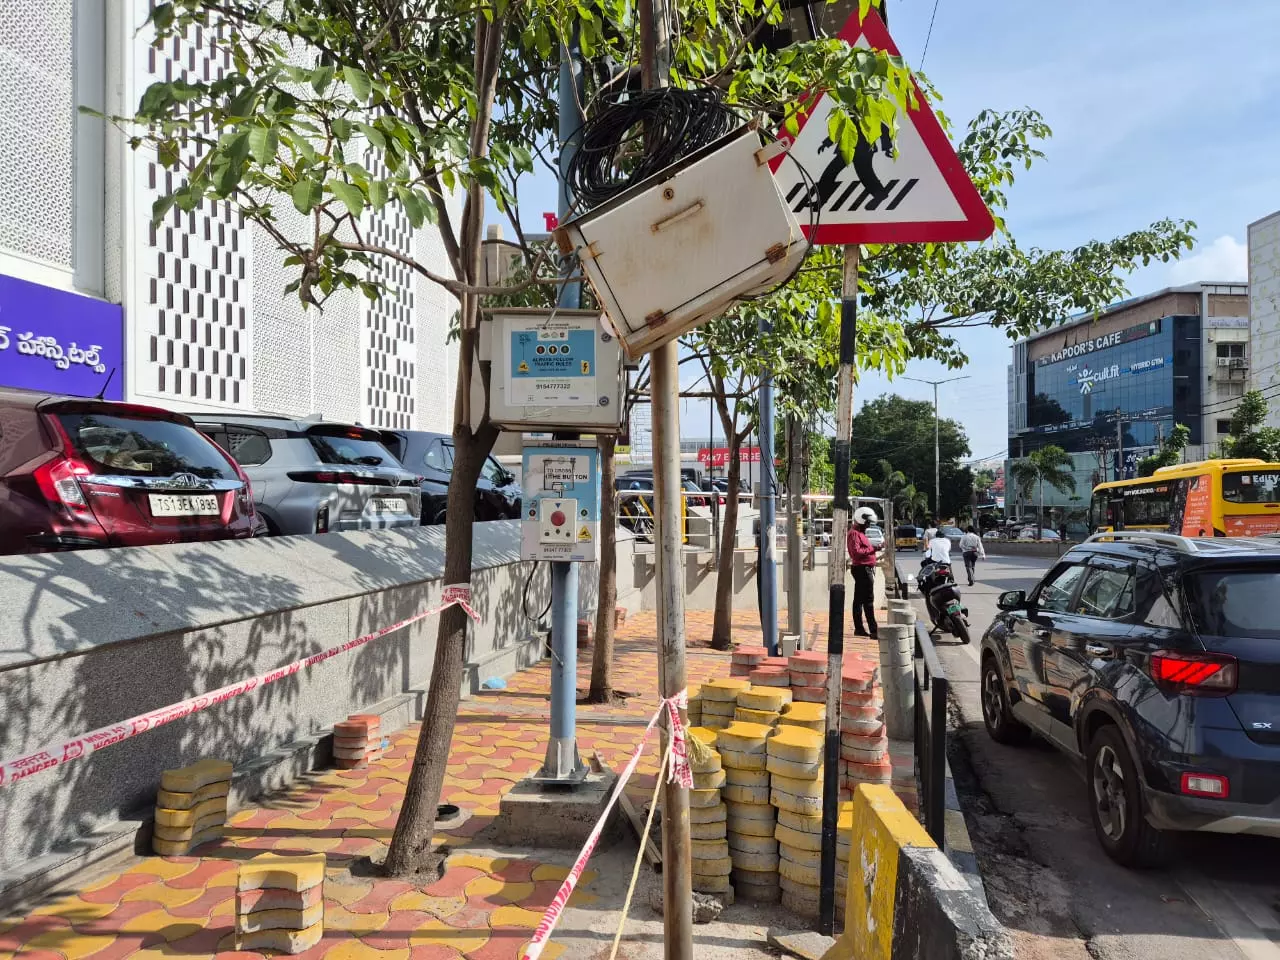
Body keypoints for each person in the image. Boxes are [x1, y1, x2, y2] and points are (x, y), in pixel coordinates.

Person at [847, 506, 883, 638]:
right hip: (862, 569)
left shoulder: (860, 533)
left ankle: (860, 628)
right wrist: (873, 549)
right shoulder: (855, 534)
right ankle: (873, 630)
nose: (868, 525)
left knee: (860, 600)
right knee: (867, 600)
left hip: (864, 569)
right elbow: (856, 553)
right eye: (867, 522)